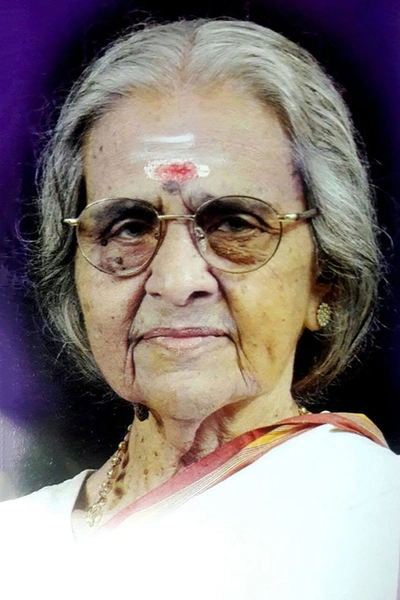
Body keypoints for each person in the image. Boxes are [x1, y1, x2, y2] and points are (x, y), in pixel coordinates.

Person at [0, 18, 399, 600]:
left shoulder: (377, 519)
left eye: (235, 223)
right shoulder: (16, 542)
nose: (176, 281)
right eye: (128, 227)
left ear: (327, 281)